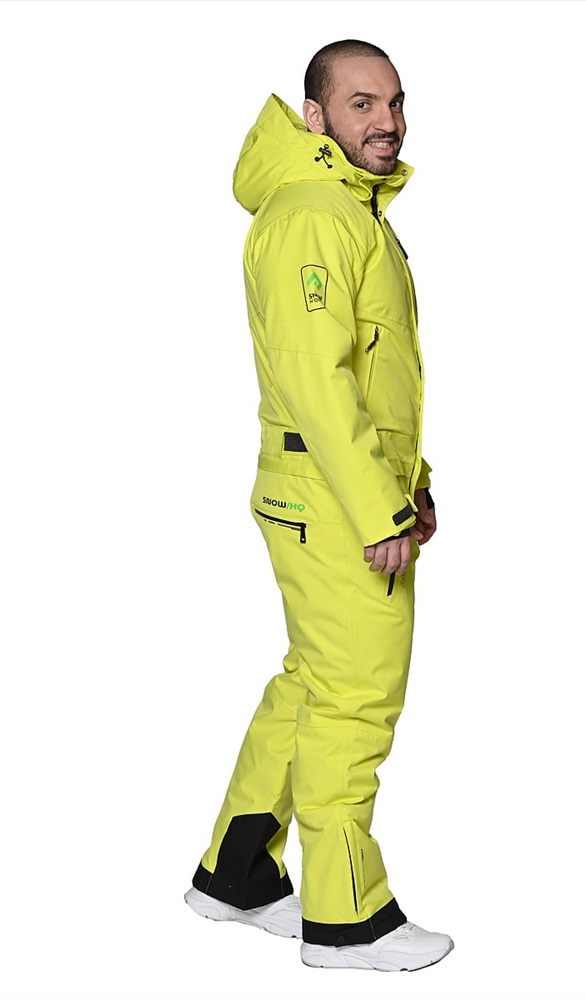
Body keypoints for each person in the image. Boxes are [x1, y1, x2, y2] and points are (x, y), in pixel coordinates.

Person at [184, 39, 453, 973]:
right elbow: (317, 383)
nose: (387, 122)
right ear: (316, 115)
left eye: (395, 103)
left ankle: (239, 871)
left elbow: (376, 376)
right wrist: (380, 512)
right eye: (362, 104)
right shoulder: (312, 215)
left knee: (312, 680)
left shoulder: (344, 209)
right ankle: (347, 920)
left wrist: (412, 486)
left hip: (332, 489)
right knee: (354, 696)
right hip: (335, 499)